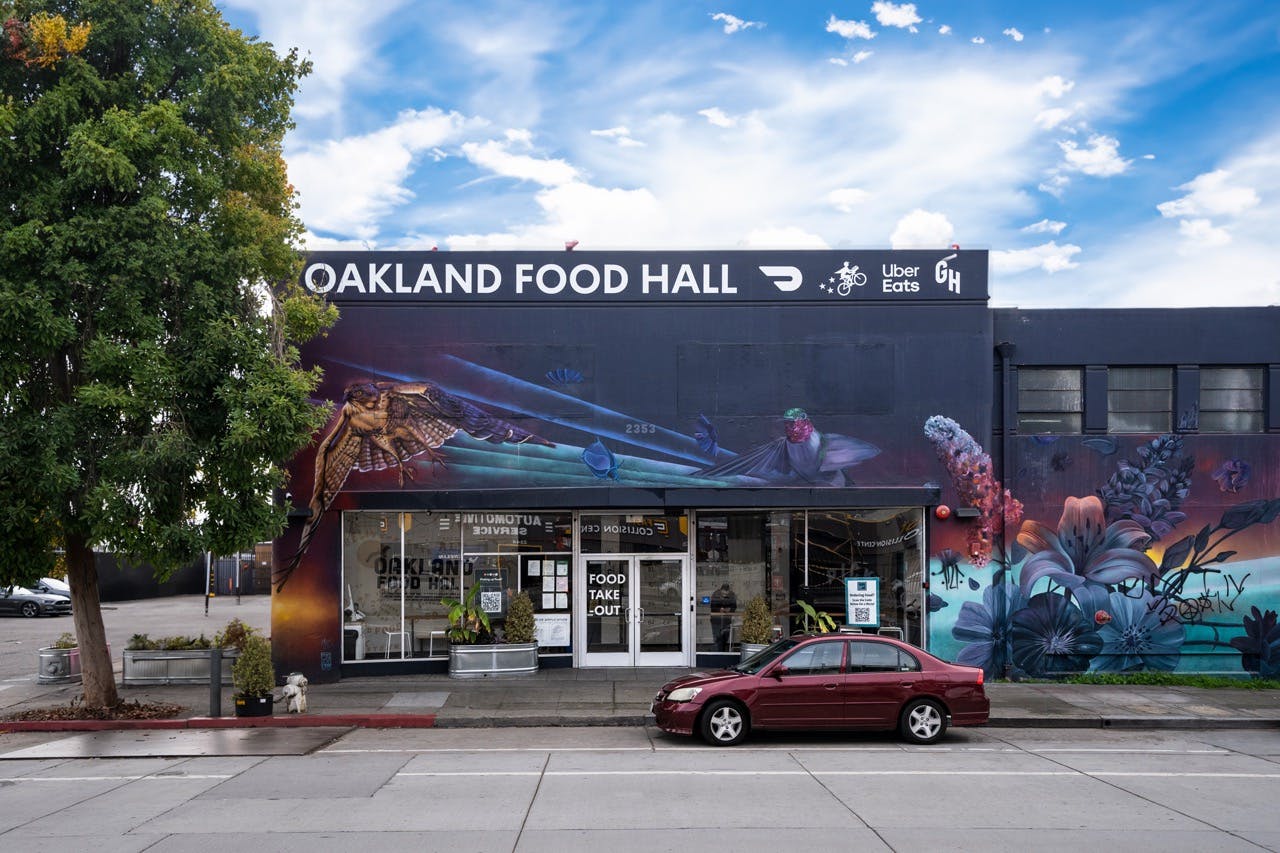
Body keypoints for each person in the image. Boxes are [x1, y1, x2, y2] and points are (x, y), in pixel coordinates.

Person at [709, 583, 737, 651]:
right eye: (723, 594)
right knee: (717, 638)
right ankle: (717, 655)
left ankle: (723, 653)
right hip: (716, 620)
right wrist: (719, 609)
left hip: (726, 620)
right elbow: (712, 606)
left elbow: (734, 606)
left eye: (726, 594)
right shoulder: (715, 594)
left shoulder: (732, 595)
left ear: (729, 591)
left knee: (725, 638)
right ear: (721, 590)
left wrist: (730, 610)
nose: (725, 595)